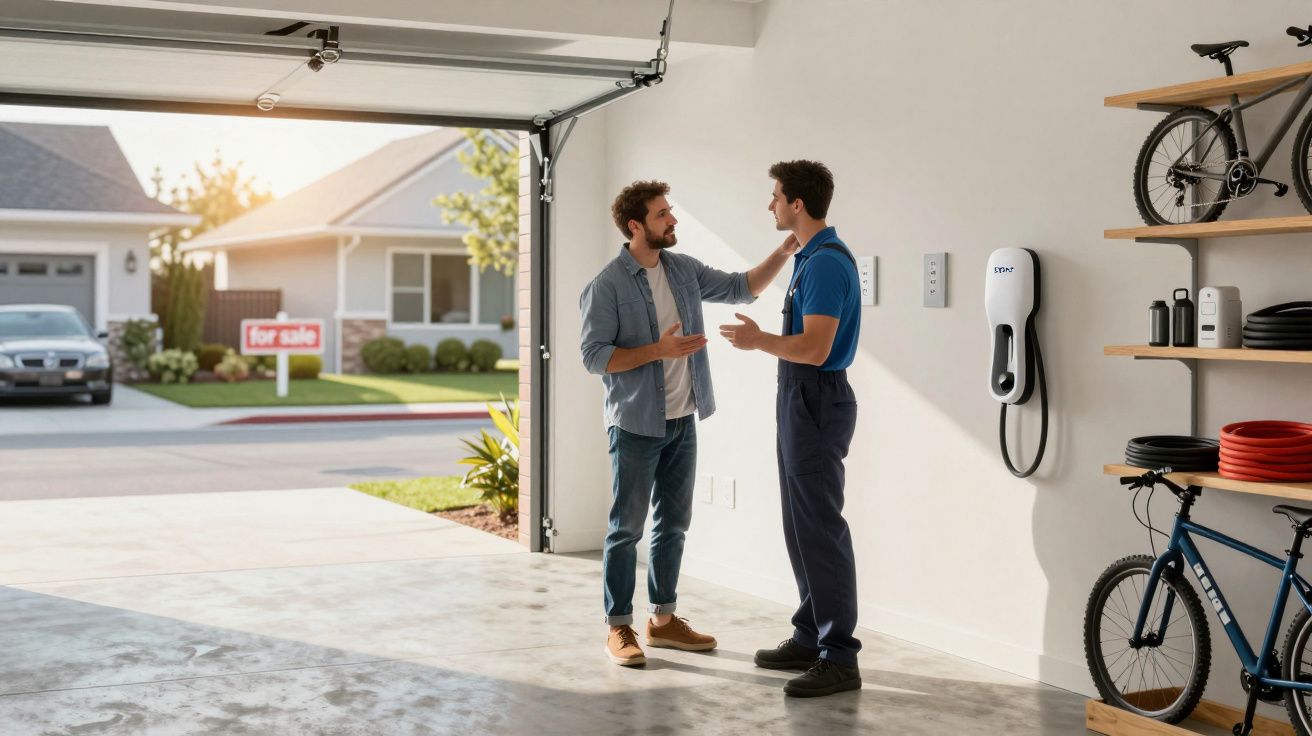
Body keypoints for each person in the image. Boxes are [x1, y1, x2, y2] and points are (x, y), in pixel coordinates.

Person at [580, 180, 798, 666]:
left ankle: (662, 621)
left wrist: (785, 250)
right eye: (662, 214)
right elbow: (593, 357)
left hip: (682, 420)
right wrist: (657, 350)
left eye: (670, 211)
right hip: (635, 424)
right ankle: (618, 627)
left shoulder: (682, 270)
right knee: (625, 529)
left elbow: (743, 286)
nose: (672, 220)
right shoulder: (607, 285)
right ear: (636, 226)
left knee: (674, 525)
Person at [719, 160, 863, 697]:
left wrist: (758, 341)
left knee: (820, 528)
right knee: (799, 525)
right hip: (799, 398)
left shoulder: (825, 264)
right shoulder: (808, 258)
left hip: (815, 397)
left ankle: (839, 656)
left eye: (776, 196)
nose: (770, 205)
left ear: (797, 204)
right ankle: (810, 636)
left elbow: (816, 348)